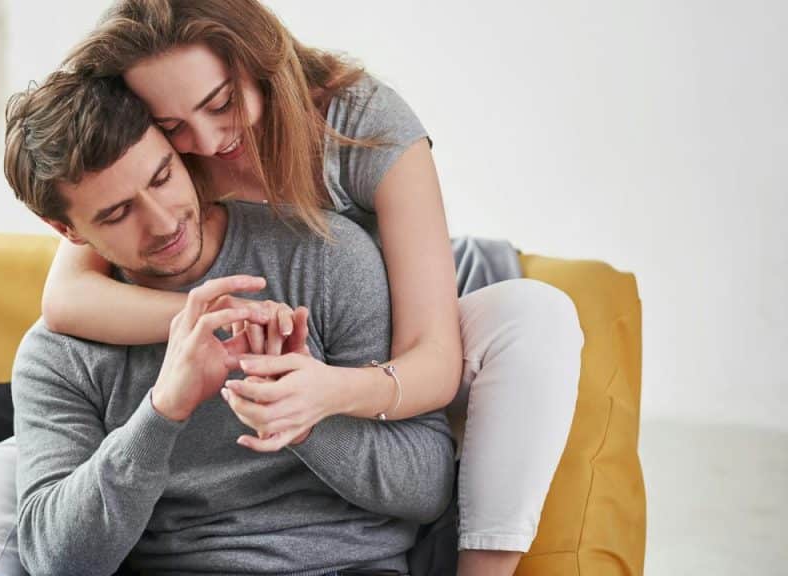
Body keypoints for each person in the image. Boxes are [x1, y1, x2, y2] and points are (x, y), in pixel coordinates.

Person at [42, 2, 585, 574]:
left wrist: (328, 393)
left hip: (407, 309)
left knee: (533, 316)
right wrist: (226, 319)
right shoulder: (152, 164)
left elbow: (432, 356)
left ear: (258, 59)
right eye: (172, 126)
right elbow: (66, 300)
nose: (203, 141)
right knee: (0, 481)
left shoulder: (363, 125)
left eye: (221, 103)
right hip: (286, 337)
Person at [3, 71, 453, 575]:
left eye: (162, 178)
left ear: (178, 152)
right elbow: (56, 562)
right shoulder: (59, 356)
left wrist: (303, 418)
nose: (164, 221)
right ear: (66, 230)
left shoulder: (325, 257)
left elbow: (428, 488)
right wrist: (161, 412)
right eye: (118, 213)